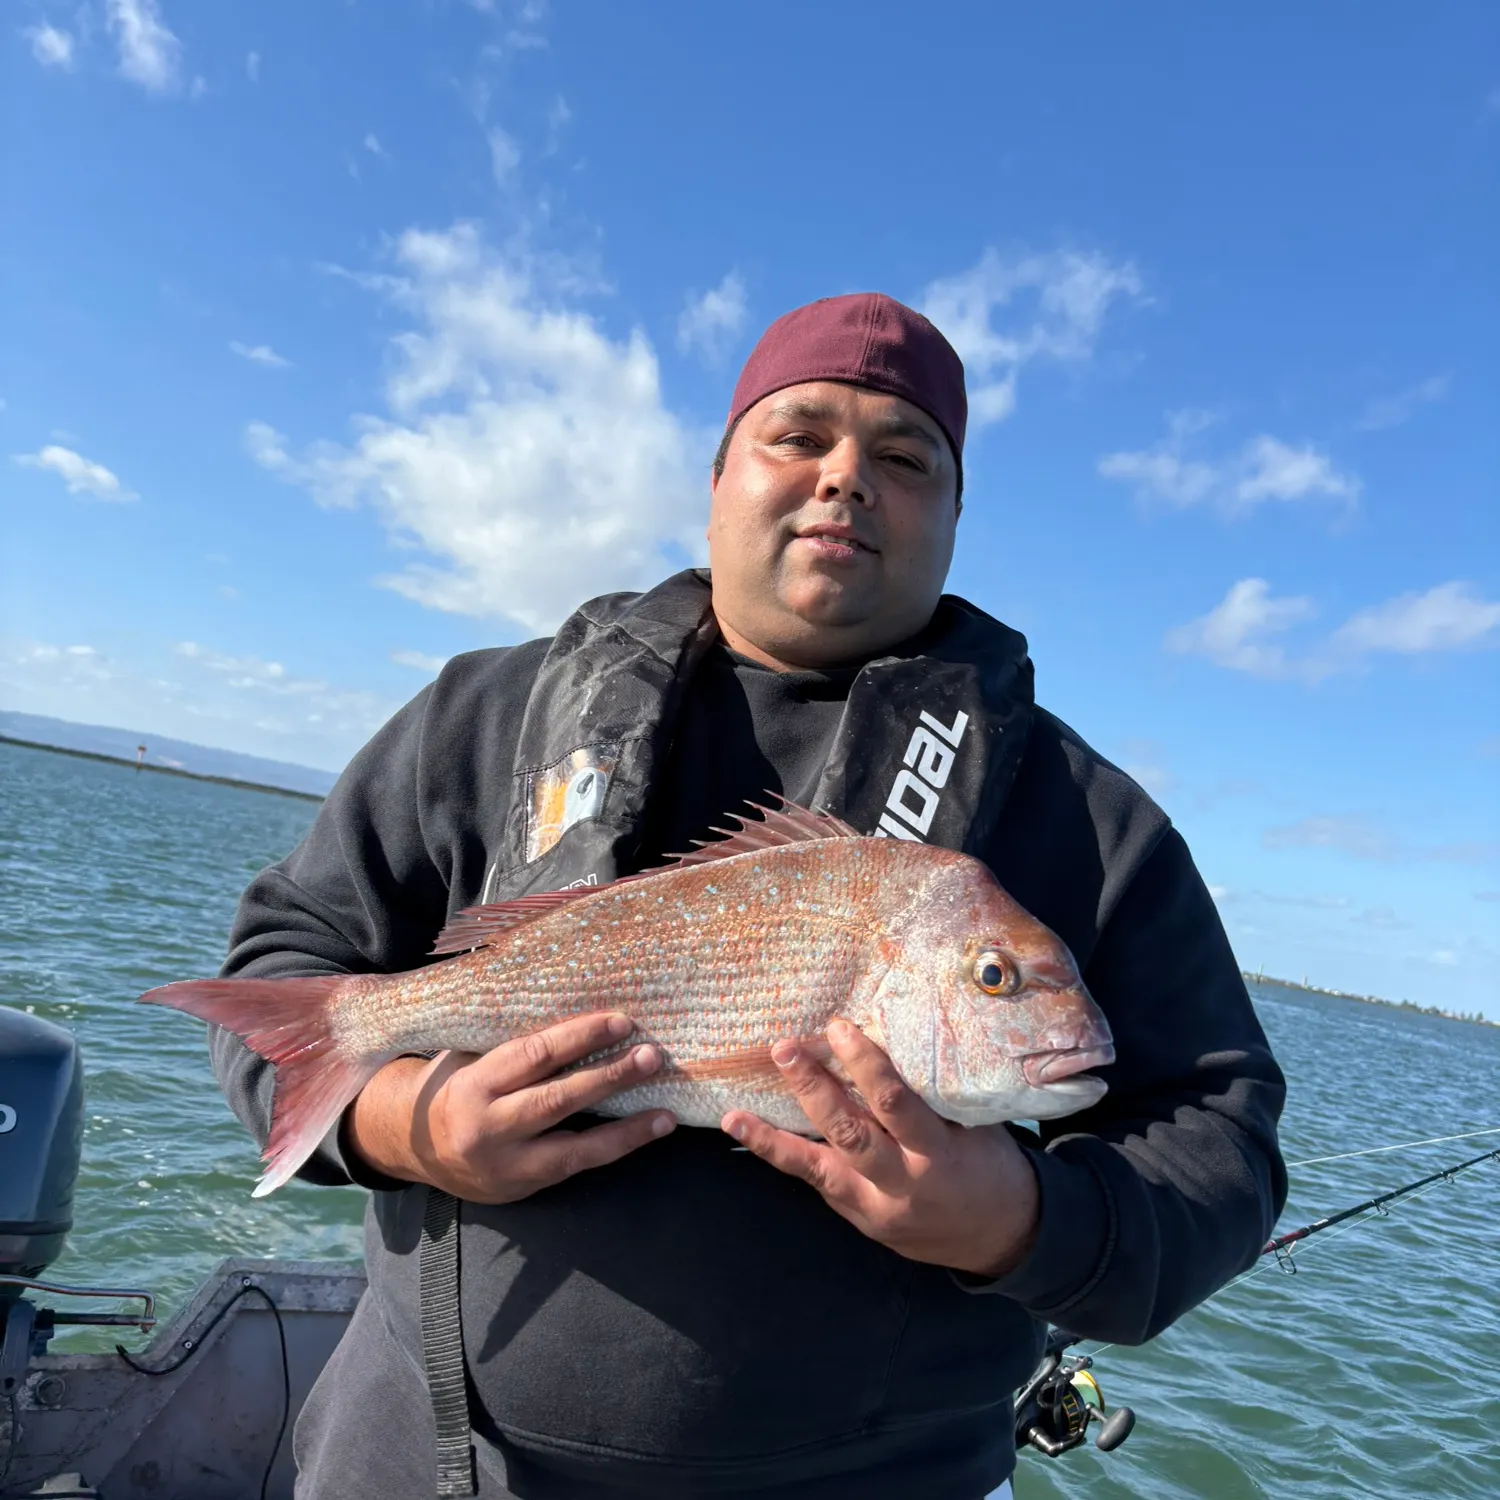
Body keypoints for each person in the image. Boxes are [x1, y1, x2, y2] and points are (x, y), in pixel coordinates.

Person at [211, 292, 1288, 1500]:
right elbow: (284, 962)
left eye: (904, 456)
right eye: (800, 436)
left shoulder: (1091, 819)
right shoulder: (488, 715)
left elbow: (1222, 1144)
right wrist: (407, 1125)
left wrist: (1016, 1216)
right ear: (720, 476)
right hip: (423, 1459)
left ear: (955, 513)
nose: (846, 480)